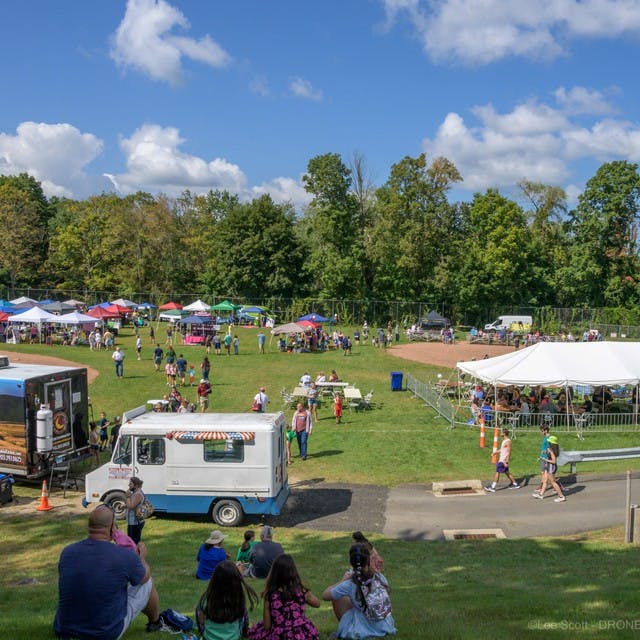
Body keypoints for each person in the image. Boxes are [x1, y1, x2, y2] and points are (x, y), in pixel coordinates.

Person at [54, 504, 162, 639]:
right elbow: (144, 578)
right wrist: (142, 558)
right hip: (105, 633)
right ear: (112, 528)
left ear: (89, 527)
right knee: (147, 582)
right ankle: (155, 622)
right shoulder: (123, 555)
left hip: (65, 629)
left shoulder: (68, 552)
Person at [322, 543, 396, 639]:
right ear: (369, 561)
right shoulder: (378, 576)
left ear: (350, 562)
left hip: (362, 631)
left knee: (337, 597)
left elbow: (325, 595)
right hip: (385, 626)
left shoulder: (349, 583)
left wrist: (342, 580)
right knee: (358, 600)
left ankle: (348, 628)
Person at [248, 554, 320, 640]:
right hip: (300, 634)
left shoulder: (270, 595)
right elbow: (317, 604)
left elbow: (267, 626)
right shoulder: (302, 591)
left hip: (279, 635)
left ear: (274, 573)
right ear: (293, 572)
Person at [196, 560, 258, 640]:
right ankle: (245, 631)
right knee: (244, 612)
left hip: (209, 638)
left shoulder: (207, 598)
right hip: (233, 637)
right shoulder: (238, 598)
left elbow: (201, 621)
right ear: (235, 582)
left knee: (199, 607)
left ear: (214, 579)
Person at [534, 435, 567, 502]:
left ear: (551, 443)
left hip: (551, 467)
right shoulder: (551, 448)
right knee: (545, 481)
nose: (548, 442)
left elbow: (554, 461)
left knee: (553, 482)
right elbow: (549, 456)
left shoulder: (552, 450)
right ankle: (541, 495)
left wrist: (545, 460)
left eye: (549, 442)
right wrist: (542, 456)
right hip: (548, 466)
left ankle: (561, 496)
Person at [126, 476, 147, 544]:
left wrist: (128, 497)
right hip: (134, 522)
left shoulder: (137, 494)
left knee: (133, 543)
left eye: (131, 483)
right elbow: (134, 504)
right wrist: (125, 506)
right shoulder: (136, 493)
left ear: (136, 485)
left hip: (135, 522)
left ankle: (136, 554)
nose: (129, 485)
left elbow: (131, 506)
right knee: (133, 542)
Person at [534, 425, 551, 494]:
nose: (541, 432)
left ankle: (541, 487)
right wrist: (540, 457)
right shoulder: (545, 438)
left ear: (545, 431)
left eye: (542, 431)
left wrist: (546, 452)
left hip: (546, 458)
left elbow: (550, 449)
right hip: (543, 457)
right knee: (544, 473)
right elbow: (543, 448)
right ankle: (541, 486)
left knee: (545, 474)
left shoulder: (549, 438)